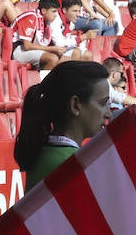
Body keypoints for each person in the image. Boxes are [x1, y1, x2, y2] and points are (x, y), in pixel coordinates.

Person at [14, 59, 112, 191]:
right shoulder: (73, 165)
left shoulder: (43, 152)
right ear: (75, 105)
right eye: (102, 103)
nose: (108, 114)